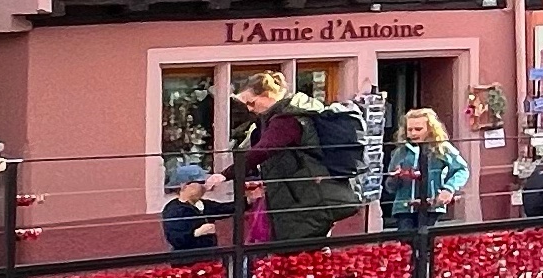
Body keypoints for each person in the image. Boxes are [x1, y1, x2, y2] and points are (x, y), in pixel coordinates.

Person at [230, 70, 356, 248]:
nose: (250, 109)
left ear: (268, 95)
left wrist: (225, 174)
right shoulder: (279, 118)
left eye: (251, 102)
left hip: (303, 198)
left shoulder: (287, 120)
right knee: (307, 247)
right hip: (307, 196)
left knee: (298, 250)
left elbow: (263, 150)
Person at [381, 108, 469, 239]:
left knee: (429, 242)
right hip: (404, 209)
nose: (413, 133)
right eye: (410, 129)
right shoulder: (400, 152)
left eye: (418, 129)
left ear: (430, 129)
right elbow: (390, 188)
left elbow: (462, 169)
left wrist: (449, 189)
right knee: (406, 243)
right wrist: (395, 178)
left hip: (432, 207)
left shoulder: (442, 148)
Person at [160, 161, 226, 256]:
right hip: (187, 258)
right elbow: (175, 238)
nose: (203, 186)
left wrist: (247, 200)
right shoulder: (173, 209)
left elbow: (225, 208)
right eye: (199, 183)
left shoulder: (204, 204)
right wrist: (197, 232)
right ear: (184, 186)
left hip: (209, 255)